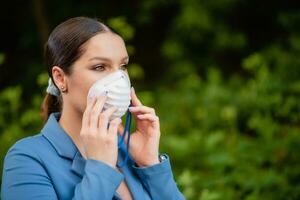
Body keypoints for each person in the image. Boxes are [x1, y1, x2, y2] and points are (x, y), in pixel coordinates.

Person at [1, 17, 185, 200]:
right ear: (60, 78)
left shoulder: (129, 153)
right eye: (99, 67)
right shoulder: (27, 159)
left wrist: (150, 165)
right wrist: (100, 168)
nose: (119, 79)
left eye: (123, 66)